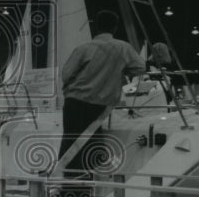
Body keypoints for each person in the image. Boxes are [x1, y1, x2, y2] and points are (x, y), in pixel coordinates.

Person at [59, 10, 146, 182]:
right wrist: (119, 71)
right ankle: (84, 185)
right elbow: (140, 68)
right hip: (100, 106)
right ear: (115, 27)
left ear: (96, 26)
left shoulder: (83, 48)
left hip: (75, 102)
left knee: (71, 145)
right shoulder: (123, 48)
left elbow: (66, 75)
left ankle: (69, 188)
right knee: (90, 145)